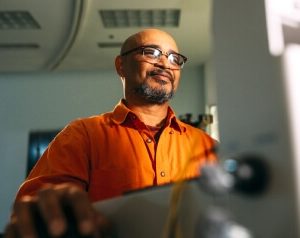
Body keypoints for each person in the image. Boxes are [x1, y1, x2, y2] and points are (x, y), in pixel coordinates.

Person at [4, 28, 216, 237]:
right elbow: (36, 218)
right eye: (151, 52)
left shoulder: (206, 145)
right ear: (121, 65)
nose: (164, 63)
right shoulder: (82, 135)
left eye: (174, 58)